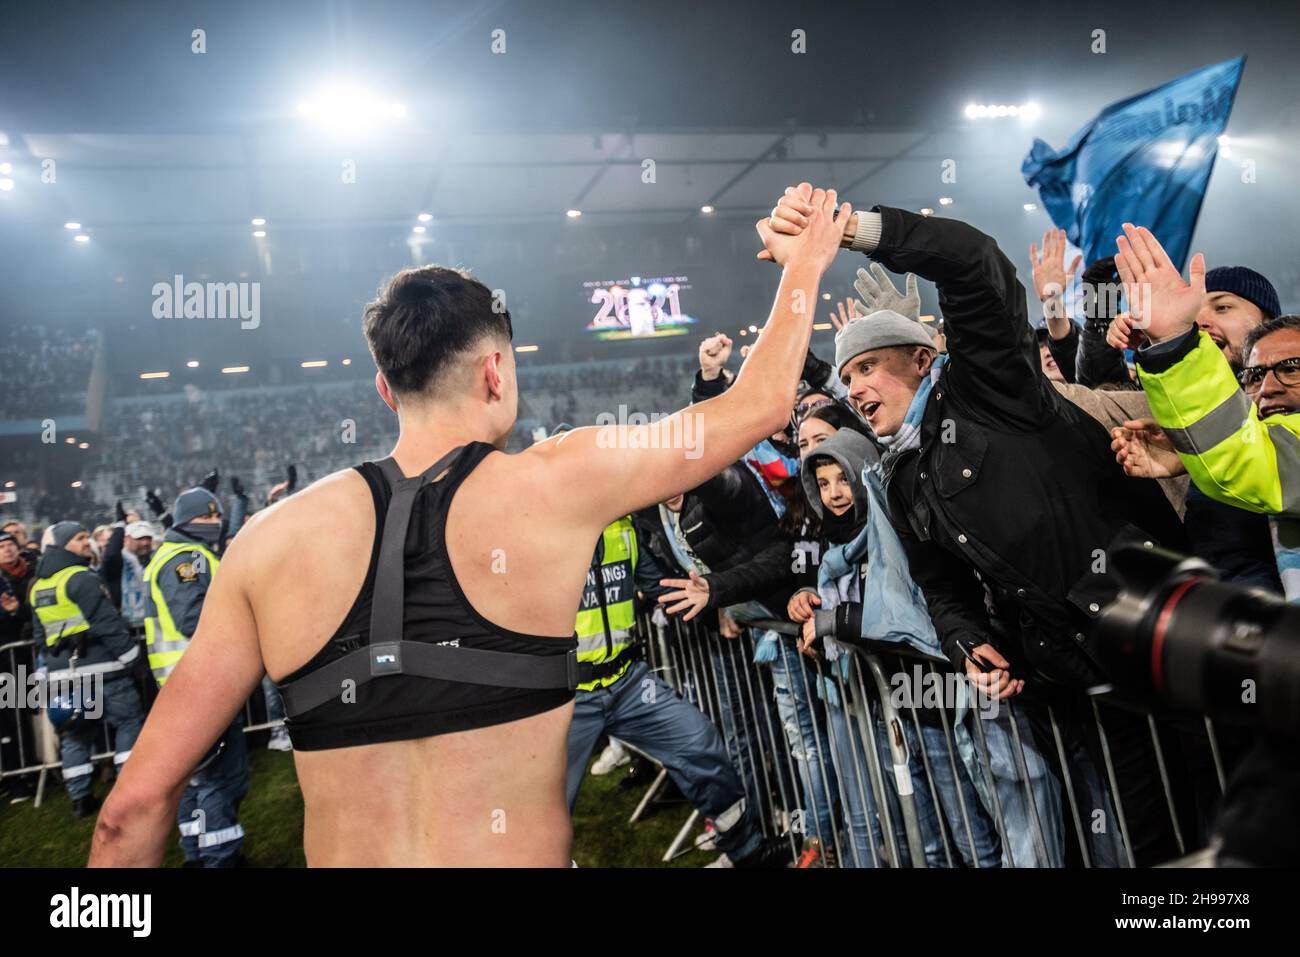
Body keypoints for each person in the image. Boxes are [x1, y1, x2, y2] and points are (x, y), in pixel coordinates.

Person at [90, 187, 853, 867]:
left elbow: (129, 812)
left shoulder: (266, 542)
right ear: (495, 370)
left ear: (386, 390)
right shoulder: (558, 482)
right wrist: (804, 261)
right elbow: (755, 407)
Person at [762, 183, 1188, 865]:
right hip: (1060, 678)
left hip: (1149, 641)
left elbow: (975, 262)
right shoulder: (900, 475)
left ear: (924, 360)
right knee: (1109, 839)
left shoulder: (989, 387)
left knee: (1185, 825)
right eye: (847, 375)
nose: (856, 387)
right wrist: (966, 644)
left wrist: (851, 230)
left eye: (870, 365)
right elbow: (940, 582)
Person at [142, 487, 250, 867]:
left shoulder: (185, 553)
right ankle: (221, 856)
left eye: (216, 516)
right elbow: (193, 619)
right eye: (206, 517)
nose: (214, 523)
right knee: (221, 777)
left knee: (196, 778)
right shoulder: (185, 559)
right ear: (188, 520)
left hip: (187, 683)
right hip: (202, 682)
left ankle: (196, 852)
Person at [29, 522, 146, 818]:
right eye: (79, 538)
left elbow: (41, 639)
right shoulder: (81, 578)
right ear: (62, 545)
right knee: (128, 723)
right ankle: (128, 791)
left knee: (75, 735)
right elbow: (108, 625)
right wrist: (135, 660)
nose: (86, 542)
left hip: (63, 676)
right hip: (104, 670)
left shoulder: (37, 585)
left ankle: (81, 798)